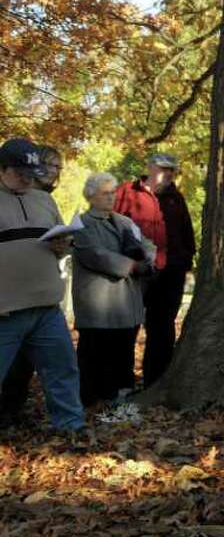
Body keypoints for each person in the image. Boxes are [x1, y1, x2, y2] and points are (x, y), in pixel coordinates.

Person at [0, 138, 85, 432]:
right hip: (5, 310)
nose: (27, 178)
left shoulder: (44, 199)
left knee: (62, 370)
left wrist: (64, 244)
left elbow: (61, 246)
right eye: (20, 172)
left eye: (31, 173)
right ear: (3, 168)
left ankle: (71, 429)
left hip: (47, 307)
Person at [71, 173, 156, 407]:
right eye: (105, 193)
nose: (111, 197)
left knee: (123, 353)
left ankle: (120, 396)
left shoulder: (124, 221)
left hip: (127, 301)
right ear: (91, 196)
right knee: (94, 355)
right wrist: (133, 265)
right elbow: (96, 255)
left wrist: (148, 259)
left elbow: (147, 244)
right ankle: (90, 400)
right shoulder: (82, 224)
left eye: (113, 192)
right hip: (99, 303)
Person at [141, 153, 196, 387]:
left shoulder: (176, 198)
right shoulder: (133, 195)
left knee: (163, 327)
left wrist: (184, 261)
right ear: (151, 168)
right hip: (140, 271)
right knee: (132, 326)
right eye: (165, 169)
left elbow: (187, 234)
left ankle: (157, 378)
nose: (170, 174)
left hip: (171, 271)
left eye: (173, 170)